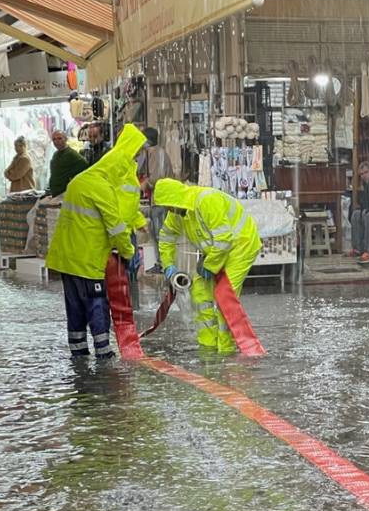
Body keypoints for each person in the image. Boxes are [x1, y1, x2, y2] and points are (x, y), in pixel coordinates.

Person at [46, 124, 145, 359]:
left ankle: (79, 353)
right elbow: (117, 227)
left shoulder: (82, 180)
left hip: (66, 258)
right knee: (96, 302)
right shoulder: (102, 188)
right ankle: (104, 354)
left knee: (75, 307)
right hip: (88, 258)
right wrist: (129, 253)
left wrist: (138, 220)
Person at [154, 178, 262, 354]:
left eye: (168, 206)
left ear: (175, 199)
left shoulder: (207, 201)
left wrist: (210, 265)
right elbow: (166, 239)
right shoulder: (177, 212)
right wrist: (168, 267)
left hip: (241, 246)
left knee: (224, 297)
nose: (168, 210)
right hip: (215, 251)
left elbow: (224, 239)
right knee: (199, 292)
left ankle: (226, 349)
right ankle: (208, 344)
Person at [136, 126, 174, 273]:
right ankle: (162, 263)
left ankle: (164, 264)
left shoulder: (157, 153)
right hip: (158, 199)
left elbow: (156, 177)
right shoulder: (153, 152)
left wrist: (143, 185)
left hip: (161, 199)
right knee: (156, 232)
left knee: (160, 233)